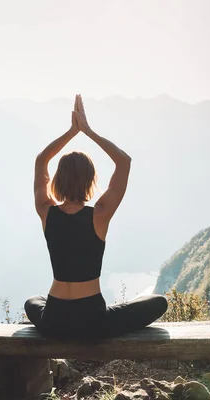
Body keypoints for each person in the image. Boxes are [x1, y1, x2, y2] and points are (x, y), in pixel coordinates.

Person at [24, 94, 168, 339]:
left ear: (57, 181)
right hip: (92, 321)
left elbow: (41, 160)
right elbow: (124, 162)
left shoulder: (46, 211)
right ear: (91, 180)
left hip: (54, 320)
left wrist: (72, 132)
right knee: (158, 302)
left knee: (32, 302)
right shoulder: (99, 215)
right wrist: (88, 131)